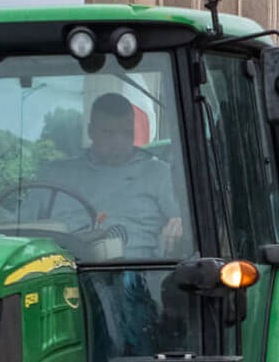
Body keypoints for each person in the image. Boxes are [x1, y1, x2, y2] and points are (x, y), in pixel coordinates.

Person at [34, 93, 187, 258]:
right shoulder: (55, 175)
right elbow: (21, 230)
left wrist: (180, 223)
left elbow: (187, 225)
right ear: (91, 131)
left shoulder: (159, 175)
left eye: (127, 133)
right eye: (108, 133)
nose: (119, 141)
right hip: (61, 273)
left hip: (140, 274)